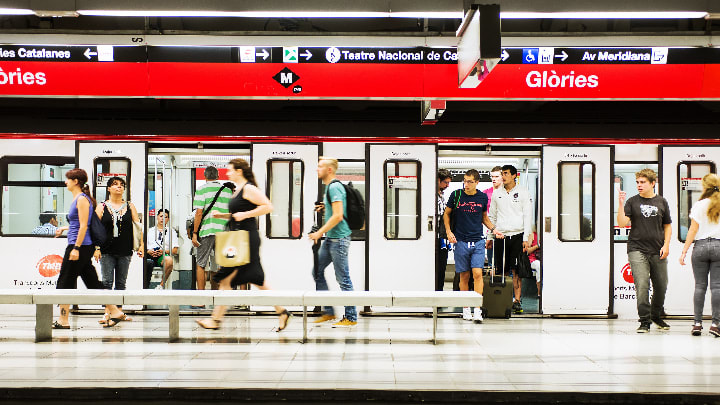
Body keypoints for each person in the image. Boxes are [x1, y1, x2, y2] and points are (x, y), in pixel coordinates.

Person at [196, 159, 290, 331]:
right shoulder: (238, 189)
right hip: (240, 239)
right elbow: (237, 214)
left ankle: (215, 320)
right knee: (256, 280)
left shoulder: (248, 188)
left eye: (230, 170)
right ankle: (282, 311)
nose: (228, 173)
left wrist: (245, 214)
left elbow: (268, 206)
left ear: (239, 171)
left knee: (227, 280)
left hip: (246, 240)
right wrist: (222, 216)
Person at [52, 168, 127, 329]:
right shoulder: (79, 199)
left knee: (65, 281)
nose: (66, 182)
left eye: (68, 179)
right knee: (91, 281)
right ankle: (114, 311)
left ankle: (63, 320)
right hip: (79, 245)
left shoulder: (82, 200)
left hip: (79, 246)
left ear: (76, 181)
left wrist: (76, 248)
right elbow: (77, 223)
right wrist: (64, 229)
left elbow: (84, 225)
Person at [444, 169, 502, 324]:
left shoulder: (482, 197)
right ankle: (466, 309)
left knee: (477, 273)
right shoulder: (456, 195)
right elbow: (446, 214)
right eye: (465, 180)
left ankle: (477, 309)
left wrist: (493, 229)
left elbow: (484, 217)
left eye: (470, 181)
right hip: (461, 240)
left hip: (478, 240)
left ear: (477, 182)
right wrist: (449, 232)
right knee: (464, 276)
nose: (466, 184)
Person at [617, 168, 672, 333]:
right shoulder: (632, 202)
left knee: (661, 285)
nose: (639, 185)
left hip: (658, 249)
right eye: (637, 183)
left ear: (652, 183)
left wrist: (667, 244)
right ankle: (644, 320)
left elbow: (667, 225)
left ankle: (655, 315)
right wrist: (620, 204)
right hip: (636, 249)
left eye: (643, 182)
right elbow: (621, 223)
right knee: (642, 284)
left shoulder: (661, 202)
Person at [308, 157, 357, 327]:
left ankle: (351, 317)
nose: (317, 169)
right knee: (317, 272)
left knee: (343, 279)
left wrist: (319, 233)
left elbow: (338, 216)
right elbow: (335, 211)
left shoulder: (335, 187)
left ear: (329, 170)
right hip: (331, 239)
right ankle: (328, 312)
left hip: (339, 240)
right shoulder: (329, 187)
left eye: (320, 166)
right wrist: (325, 206)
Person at [95, 176, 143, 324]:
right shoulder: (102, 206)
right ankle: (107, 313)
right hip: (106, 250)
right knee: (107, 282)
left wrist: (140, 245)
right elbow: (96, 229)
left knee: (121, 283)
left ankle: (119, 312)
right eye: (115, 185)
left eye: (121, 185)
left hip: (125, 249)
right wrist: (96, 248)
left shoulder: (130, 206)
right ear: (108, 188)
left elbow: (137, 227)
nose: (119, 187)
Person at [488, 164, 533, 314]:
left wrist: (526, 238)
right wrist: (490, 236)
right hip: (501, 236)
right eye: (502, 173)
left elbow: (527, 216)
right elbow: (492, 217)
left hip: (518, 235)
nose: (503, 176)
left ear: (514, 175)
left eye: (506, 173)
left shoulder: (523, 192)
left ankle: (517, 301)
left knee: (517, 270)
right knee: (501, 269)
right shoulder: (496, 193)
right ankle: (503, 299)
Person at [679, 173, 720, 338]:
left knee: (700, 286)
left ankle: (697, 324)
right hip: (719, 245)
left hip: (701, 246)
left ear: (705, 187)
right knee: (717, 286)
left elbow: (693, 230)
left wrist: (684, 251)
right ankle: (716, 325)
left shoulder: (699, 205)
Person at [191, 166, 233, 298]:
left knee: (201, 264)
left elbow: (198, 213)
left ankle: (201, 299)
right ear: (218, 176)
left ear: (205, 176)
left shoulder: (201, 190)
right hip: (224, 232)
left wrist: (195, 233)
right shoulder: (227, 191)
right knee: (224, 264)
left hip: (207, 231)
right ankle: (222, 297)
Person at [147, 209, 179, 290]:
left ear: (168, 219)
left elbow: (175, 250)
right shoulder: (150, 231)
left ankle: (161, 285)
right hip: (150, 254)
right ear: (157, 217)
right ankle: (144, 286)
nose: (162, 219)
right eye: (161, 216)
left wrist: (163, 251)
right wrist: (149, 251)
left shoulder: (171, 232)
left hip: (162, 255)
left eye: (165, 217)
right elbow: (143, 247)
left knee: (169, 260)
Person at [483, 166, 503, 268]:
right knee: (490, 252)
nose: (494, 179)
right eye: (492, 176)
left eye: (496, 176)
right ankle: (491, 270)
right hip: (489, 227)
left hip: (504, 228)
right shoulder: (486, 193)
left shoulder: (507, 193)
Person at [436, 169, 452, 291]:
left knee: (442, 268)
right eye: (445, 182)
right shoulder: (431, 197)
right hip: (434, 238)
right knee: (436, 269)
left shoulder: (442, 196)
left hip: (442, 238)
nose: (447, 185)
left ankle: (440, 294)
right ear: (438, 180)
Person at [527, 225, 541, 297]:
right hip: (533, 259)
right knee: (539, 266)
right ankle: (539, 292)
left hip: (543, 258)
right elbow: (528, 251)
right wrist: (537, 246)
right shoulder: (532, 235)